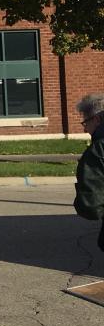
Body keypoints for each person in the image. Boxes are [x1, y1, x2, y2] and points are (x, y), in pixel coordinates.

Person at [74, 94, 104, 252]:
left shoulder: (98, 150)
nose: (85, 129)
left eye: (86, 122)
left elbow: (91, 206)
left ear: (97, 119)